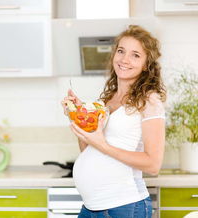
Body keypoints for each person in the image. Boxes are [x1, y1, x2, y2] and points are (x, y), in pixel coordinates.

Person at [61, 25, 166, 218]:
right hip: (91, 208)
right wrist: (77, 114)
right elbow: (88, 149)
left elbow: (153, 164)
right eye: (121, 51)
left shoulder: (149, 101)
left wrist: (102, 145)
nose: (125, 60)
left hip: (123, 206)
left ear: (146, 64)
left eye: (135, 55)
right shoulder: (106, 100)